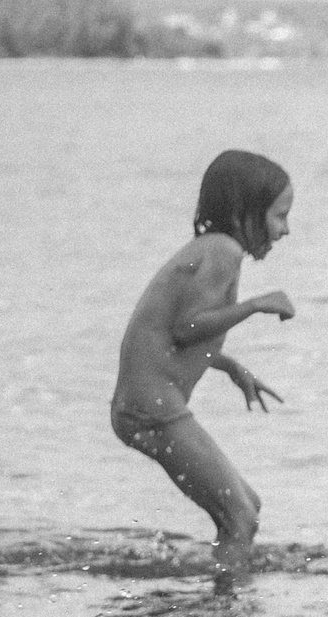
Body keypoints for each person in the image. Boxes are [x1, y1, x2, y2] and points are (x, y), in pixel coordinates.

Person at [111, 149, 296, 586]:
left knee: (246, 505)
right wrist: (255, 305)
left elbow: (167, 335)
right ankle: (219, 616)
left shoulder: (210, 250)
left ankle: (215, 599)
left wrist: (230, 366)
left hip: (143, 406)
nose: (285, 230)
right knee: (241, 515)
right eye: (279, 216)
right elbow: (186, 326)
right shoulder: (223, 252)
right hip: (150, 409)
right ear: (244, 211)